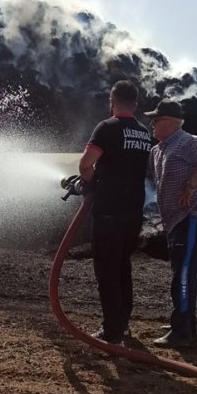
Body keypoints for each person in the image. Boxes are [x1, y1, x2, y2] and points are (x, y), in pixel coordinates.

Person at [78, 80, 152, 344]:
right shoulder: (144, 133)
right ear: (135, 103)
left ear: (112, 100)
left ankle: (111, 332)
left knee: (107, 272)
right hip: (133, 212)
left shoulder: (106, 128)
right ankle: (123, 324)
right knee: (123, 267)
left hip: (108, 212)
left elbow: (86, 164)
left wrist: (89, 183)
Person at [145, 99, 197, 348]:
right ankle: (186, 322)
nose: (152, 124)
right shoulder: (158, 150)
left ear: (173, 123)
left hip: (191, 216)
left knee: (184, 274)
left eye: (156, 120)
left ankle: (181, 332)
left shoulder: (186, 141)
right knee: (180, 272)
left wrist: (192, 184)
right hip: (174, 220)